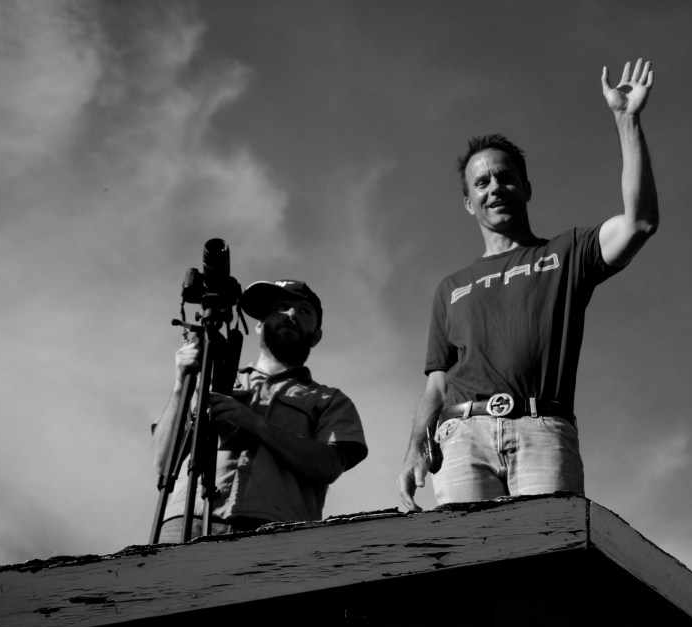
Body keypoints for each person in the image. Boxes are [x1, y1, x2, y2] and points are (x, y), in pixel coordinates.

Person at [397, 59, 659, 511]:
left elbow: (639, 222)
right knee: (467, 571)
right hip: (461, 437)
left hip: (543, 431)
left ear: (526, 188)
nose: (494, 187)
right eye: (481, 182)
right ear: (468, 202)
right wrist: (415, 447)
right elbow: (436, 387)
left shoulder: (566, 253)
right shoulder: (451, 288)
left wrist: (626, 119)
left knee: (546, 569)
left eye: (505, 177)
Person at [153, 279, 367, 541]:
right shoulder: (213, 379)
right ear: (258, 324)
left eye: (304, 311)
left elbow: (329, 466)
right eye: (281, 307)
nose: (291, 315)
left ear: (317, 336)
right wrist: (180, 385)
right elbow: (164, 462)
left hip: (276, 532)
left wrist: (255, 423)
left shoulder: (330, 400)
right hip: (188, 519)